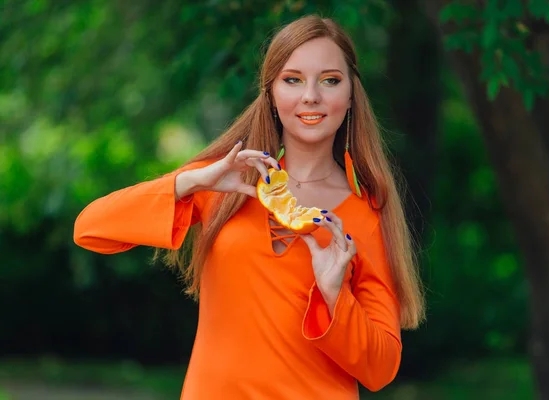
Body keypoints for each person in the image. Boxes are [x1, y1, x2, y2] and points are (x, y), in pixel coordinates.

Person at [73, 14, 425, 400]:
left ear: (351, 95)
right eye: (292, 80)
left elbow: (381, 368)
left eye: (329, 80)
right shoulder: (225, 180)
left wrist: (333, 294)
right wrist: (189, 182)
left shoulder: (366, 213)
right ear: (271, 93)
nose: (311, 96)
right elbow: (90, 229)